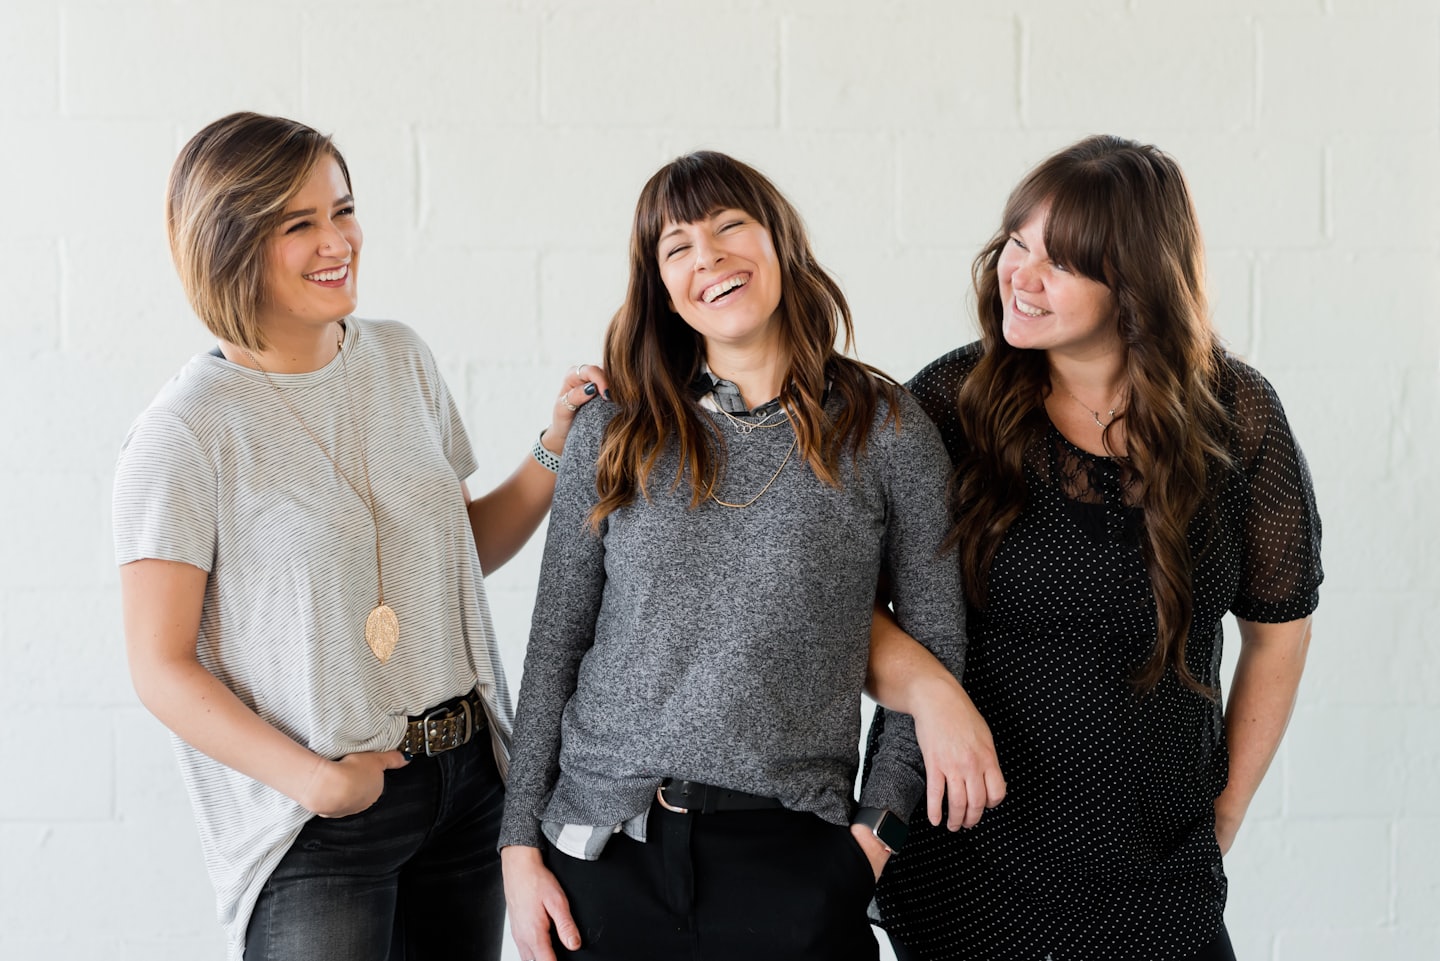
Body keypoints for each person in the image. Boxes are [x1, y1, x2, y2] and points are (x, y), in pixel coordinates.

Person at [112, 111, 608, 961]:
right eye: (298, 224)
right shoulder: (184, 432)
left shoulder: (401, 358)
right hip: (320, 820)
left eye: (342, 210)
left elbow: (458, 556)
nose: (337, 241)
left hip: (468, 785)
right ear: (229, 243)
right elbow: (159, 666)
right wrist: (317, 781)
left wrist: (555, 445)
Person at [497, 150, 1003, 961]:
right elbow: (557, 640)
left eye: (730, 226)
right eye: (678, 247)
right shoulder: (614, 430)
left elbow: (936, 645)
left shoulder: (886, 428)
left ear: (779, 241)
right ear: (662, 287)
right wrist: (519, 847)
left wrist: (869, 845)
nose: (709, 257)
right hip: (600, 858)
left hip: (795, 864)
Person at [864, 134, 1323, 961]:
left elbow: (1279, 632)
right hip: (970, 864)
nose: (1020, 275)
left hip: (1158, 867)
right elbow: (837, 604)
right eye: (1017, 243)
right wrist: (932, 694)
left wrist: (1225, 810)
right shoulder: (948, 405)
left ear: (1138, 283)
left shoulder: (1238, 415)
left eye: (1062, 262)